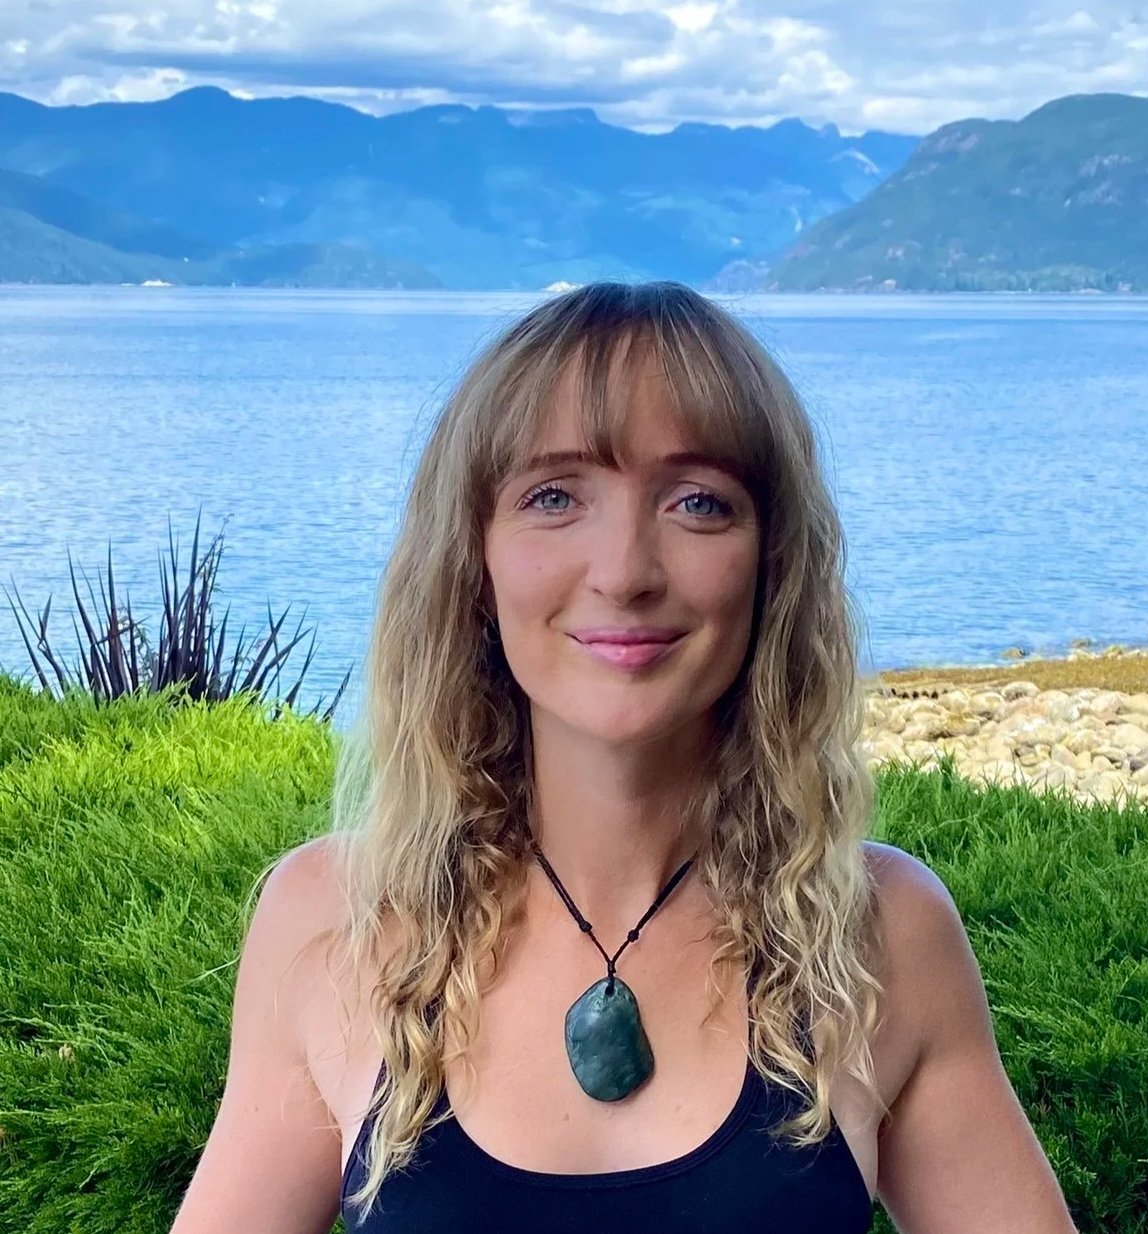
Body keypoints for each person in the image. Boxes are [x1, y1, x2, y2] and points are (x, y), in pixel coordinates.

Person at [170, 281, 1079, 1233]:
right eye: (554, 496)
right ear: (473, 565)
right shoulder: (334, 922)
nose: (625, 571)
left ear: (773, 568)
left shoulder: (881, 936)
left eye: (698, 502)